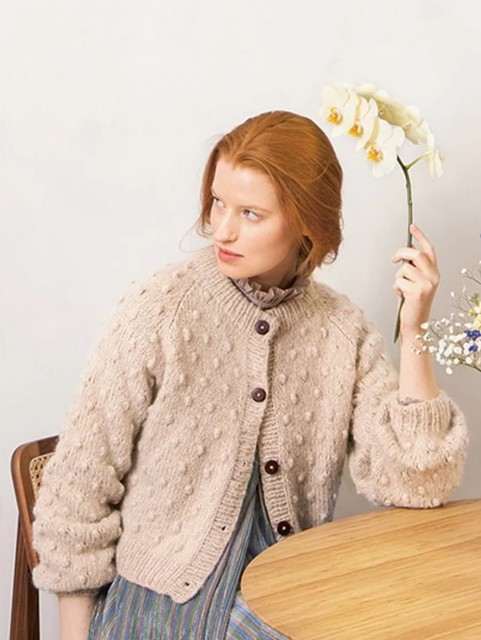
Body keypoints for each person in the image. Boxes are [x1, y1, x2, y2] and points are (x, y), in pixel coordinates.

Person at [32, 110, 468, 640]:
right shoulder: (161, 308)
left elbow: (418, 483)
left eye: (251, 213)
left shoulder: (341, 331)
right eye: (218, 202)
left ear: (307, 221)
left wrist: (415, 327)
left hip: (289, 592)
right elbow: (77, 491)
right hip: (163, 605)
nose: (223, 229)